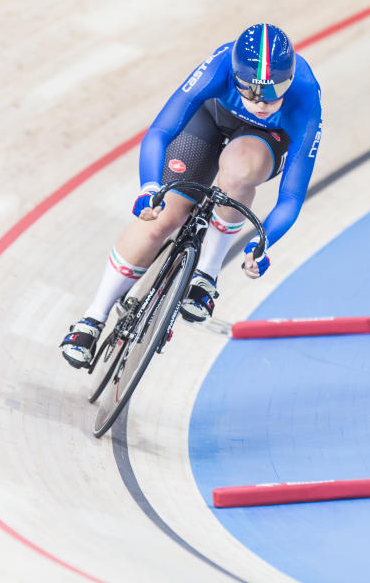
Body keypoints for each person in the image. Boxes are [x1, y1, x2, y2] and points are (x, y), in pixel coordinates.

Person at [60, 23, 323, 368]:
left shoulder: (305, 96)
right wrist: (150, 187)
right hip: (210, 118)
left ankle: (207, 273)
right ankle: (92, 318)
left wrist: (262, 243)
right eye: (251, 92)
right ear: (234, 76)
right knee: (161, 219)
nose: (261, 103)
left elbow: (290, 198)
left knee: (239, 168)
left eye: (274, 94)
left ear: (289, 82)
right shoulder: (217, 67)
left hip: (263, 141)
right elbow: (160, 132)